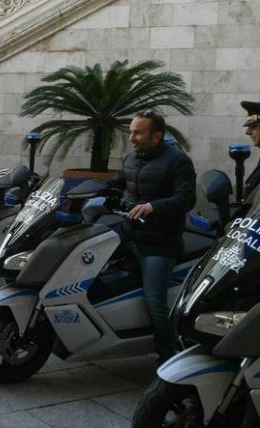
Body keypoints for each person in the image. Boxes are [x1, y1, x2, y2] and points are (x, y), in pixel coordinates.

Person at [108, 111, 196, 363]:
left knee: (154, 300)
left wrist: (154, 207)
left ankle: (169, 357)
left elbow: (186, 198)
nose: (132, 137)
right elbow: (117, 184)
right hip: (128, 233)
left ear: (157, 136)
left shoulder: (178, 161)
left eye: (138, 132)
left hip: (159, 243)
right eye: (131, 131)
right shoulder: (132, 159)